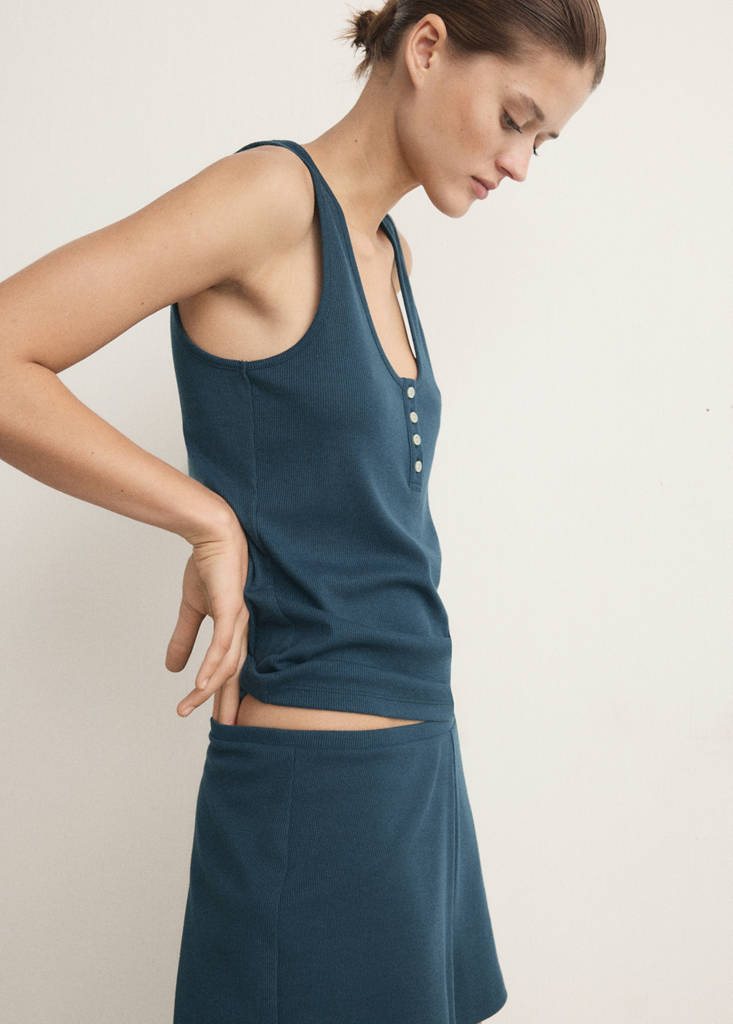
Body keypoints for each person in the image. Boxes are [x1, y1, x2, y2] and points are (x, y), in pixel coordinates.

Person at [0, 1, 606, 1021]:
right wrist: (205, 517)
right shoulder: (273, 197)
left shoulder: (386, 250)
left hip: (414, 766)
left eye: (541, 141)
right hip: (319, 784)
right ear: (427, 47)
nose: (517, 165)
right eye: (514, 118)